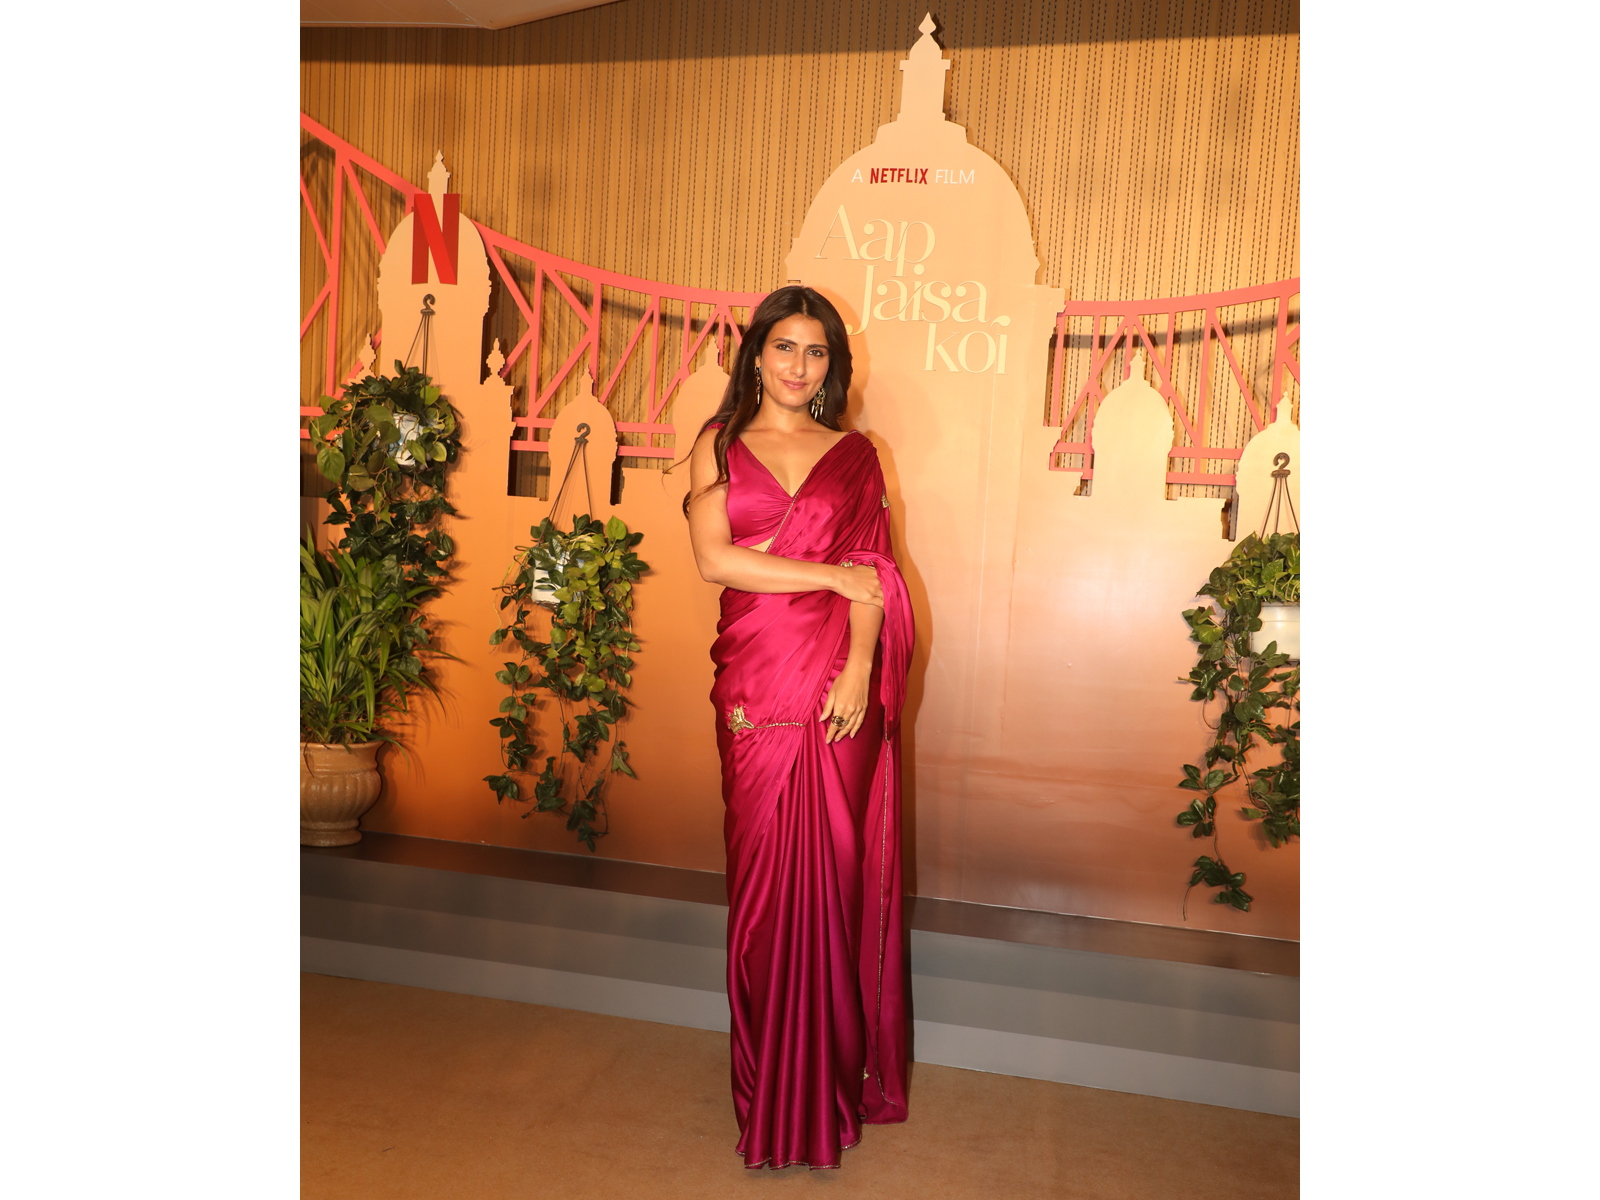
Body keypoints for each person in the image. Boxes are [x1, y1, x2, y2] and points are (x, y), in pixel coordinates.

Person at [683, 285, 913, 1170]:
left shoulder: (855, 456)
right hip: (755, 682)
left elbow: (874, 572)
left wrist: (860, 667)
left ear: (833, 367)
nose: (799, 366)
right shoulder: (718, 444)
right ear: (756, 353)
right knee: (764, 892)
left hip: (838, 691)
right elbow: (715, 560)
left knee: (836, 884)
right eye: (785, 346)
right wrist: (829, 577)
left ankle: (828, 1088)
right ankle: (768, 1090)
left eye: (817, 352)